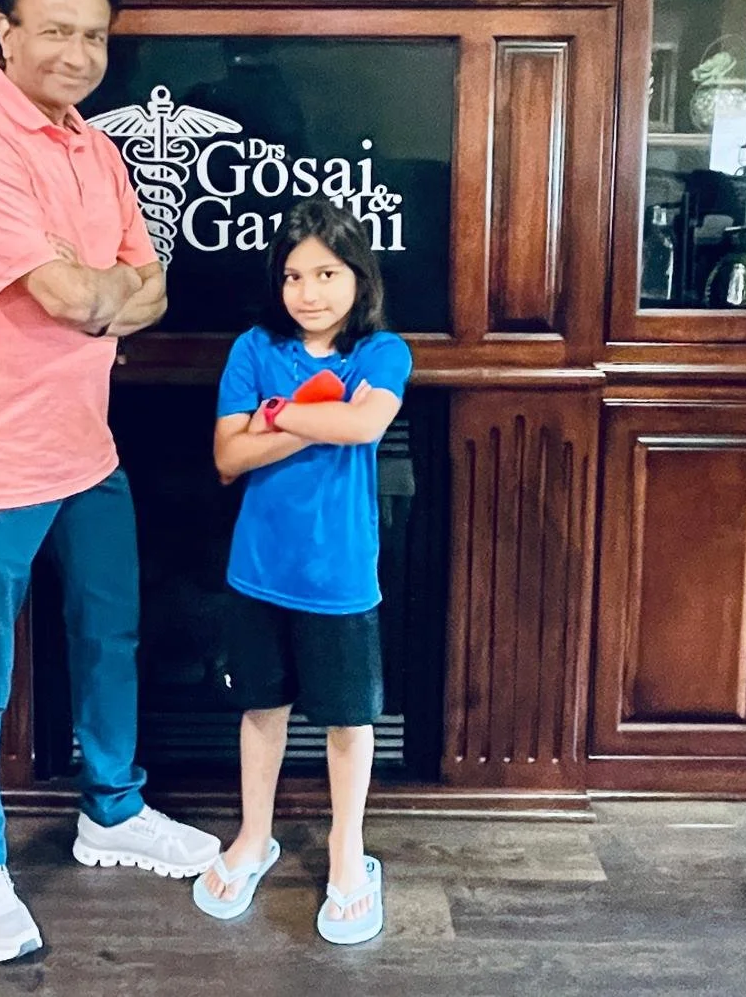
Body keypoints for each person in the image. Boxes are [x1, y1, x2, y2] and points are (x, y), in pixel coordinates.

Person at [0, 0, 219, 964]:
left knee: (110, 637)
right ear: (4, 34)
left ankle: (113, 811)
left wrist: (103, 292)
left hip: (86, 447)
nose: (78, 53)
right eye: (55, 30)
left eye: (94, 36)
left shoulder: (96, 148)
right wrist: (100, 291)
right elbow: (68, 295)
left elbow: (151, 283)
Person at [193, 196, 411, 945]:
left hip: (340, 575)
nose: (309, 292)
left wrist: (277, 414)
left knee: (349, 720)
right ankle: (255, 837)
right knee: (262, 709)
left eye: (326, 273)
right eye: (293, 275)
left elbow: (366, 423)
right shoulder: (253, 348)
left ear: (358, 277)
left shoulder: (381, 351)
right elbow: (228, 458)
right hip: (257, 570)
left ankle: (349, 852)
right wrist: (317, 417)